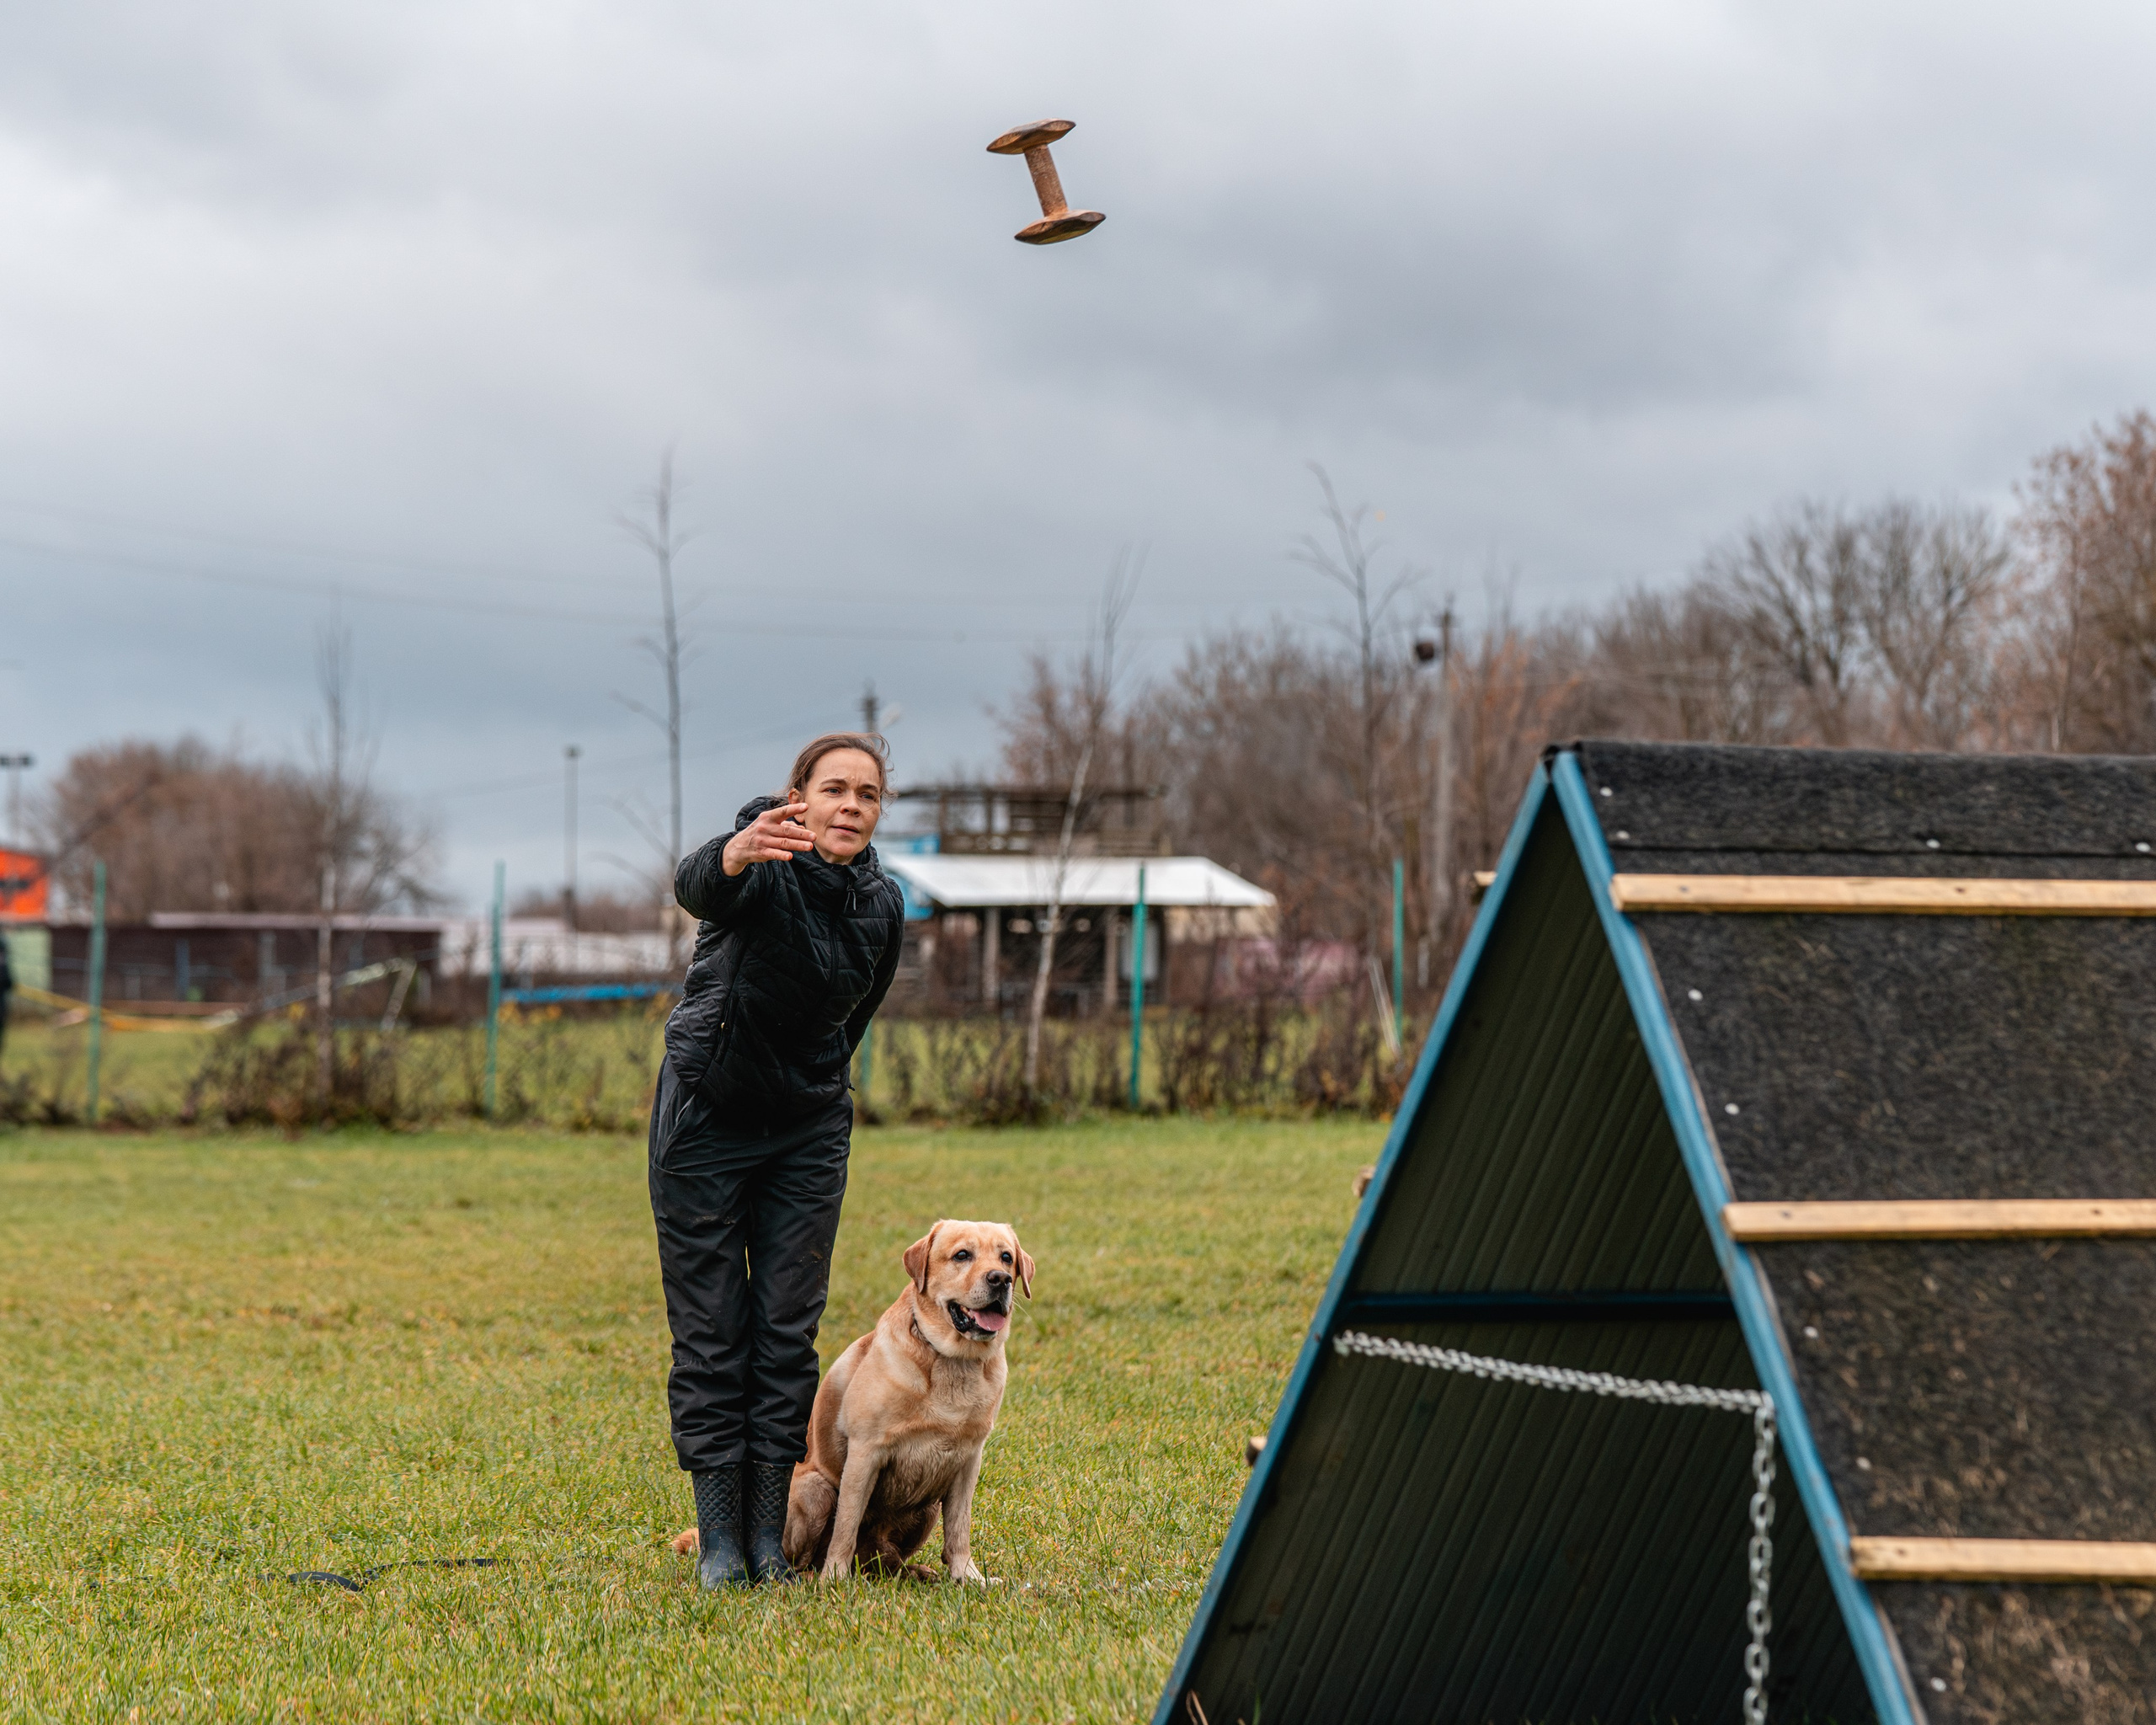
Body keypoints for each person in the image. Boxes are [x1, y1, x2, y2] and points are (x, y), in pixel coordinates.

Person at [648, 731, 906, 1589]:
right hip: (705, 1117)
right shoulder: (756, 860)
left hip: (806, 1129)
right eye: (833, 788)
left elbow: (852, 1017)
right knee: (714, 1332)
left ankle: (768, 1534)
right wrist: (732, 851)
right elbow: (695, 886)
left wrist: (818, 1088)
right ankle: (720, 1540)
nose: (850, 806)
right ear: (796, 794)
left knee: (785, 1334)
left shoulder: (883, 902)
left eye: (866, 794)